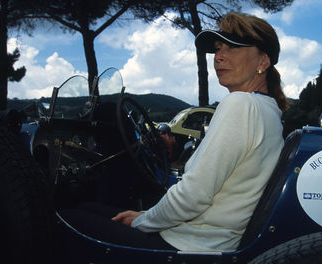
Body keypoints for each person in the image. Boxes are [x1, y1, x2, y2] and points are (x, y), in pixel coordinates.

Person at [61, 12, 287, 252]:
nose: (219, 56)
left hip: (188, 244)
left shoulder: (241, 104)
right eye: (218, 48)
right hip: (210, 239)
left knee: (66, 216)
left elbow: (193, 196)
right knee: (89, 208)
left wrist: (141, 220)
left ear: (262, 62)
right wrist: (146, 214)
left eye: (232, 48)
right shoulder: (270, 110)